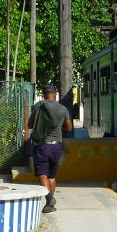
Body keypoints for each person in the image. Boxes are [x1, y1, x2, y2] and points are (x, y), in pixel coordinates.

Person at [28, 85, 72, 213]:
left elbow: (30, 124)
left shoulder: (39, 106)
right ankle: (50, 205)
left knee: (42, 173)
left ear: (43, 94)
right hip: (57, 145)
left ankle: (48, 198)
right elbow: (69, 128)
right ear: (55, 94)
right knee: (52, 176)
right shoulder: (63, 109)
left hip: (42, 145)